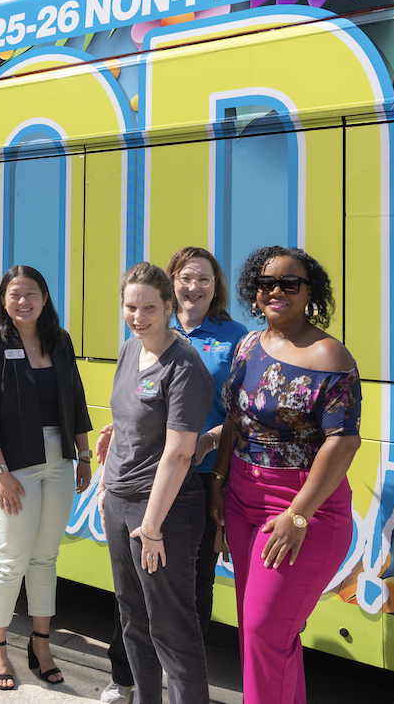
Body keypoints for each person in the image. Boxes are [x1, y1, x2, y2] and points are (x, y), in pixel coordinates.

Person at [207, 247, 360, 704]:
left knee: (264, 632)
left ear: (310, 292)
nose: (276, 291)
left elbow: (343, 443)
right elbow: (235, 420)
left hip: (303, 507)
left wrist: (298, 515)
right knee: (262, 637)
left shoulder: (328, 354)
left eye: (289, 283)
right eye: (266, 283)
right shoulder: (248, 345)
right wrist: (218, 483)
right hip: (242, 499)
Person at [100, 247, 247, 704]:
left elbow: (181, 452)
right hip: (120, 499)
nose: (138, 316)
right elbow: (126, 422)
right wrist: (106, 487)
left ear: (168, 306)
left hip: (162, 506)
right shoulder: (131, 348)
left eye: (149, 307)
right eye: (130, 307)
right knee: (133, 617)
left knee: (172, 626)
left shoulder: (184, 363)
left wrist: (151, 526)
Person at [0, 266, 94, 690]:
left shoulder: (60, 341)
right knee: (12, 559)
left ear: (44, 297)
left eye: (31, 293)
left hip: (59, 460)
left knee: (46, 557)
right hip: (13, 465)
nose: (23, 301)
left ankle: (41, 644)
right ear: (3, 300)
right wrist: (0, 472)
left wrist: (83, 455)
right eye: (15, 294)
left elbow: (76, 398)